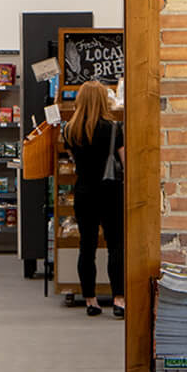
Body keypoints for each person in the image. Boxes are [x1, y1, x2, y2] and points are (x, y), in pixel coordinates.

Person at [62, 80, 126, 318]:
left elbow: (73, 160)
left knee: (86, 247)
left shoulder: (69, 130)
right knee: (115, 246)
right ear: (103, 100)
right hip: (111, 192)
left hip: (84, 192)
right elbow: (124, 162)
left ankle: (91, 300)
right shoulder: (114, 129)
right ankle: (119, 299)